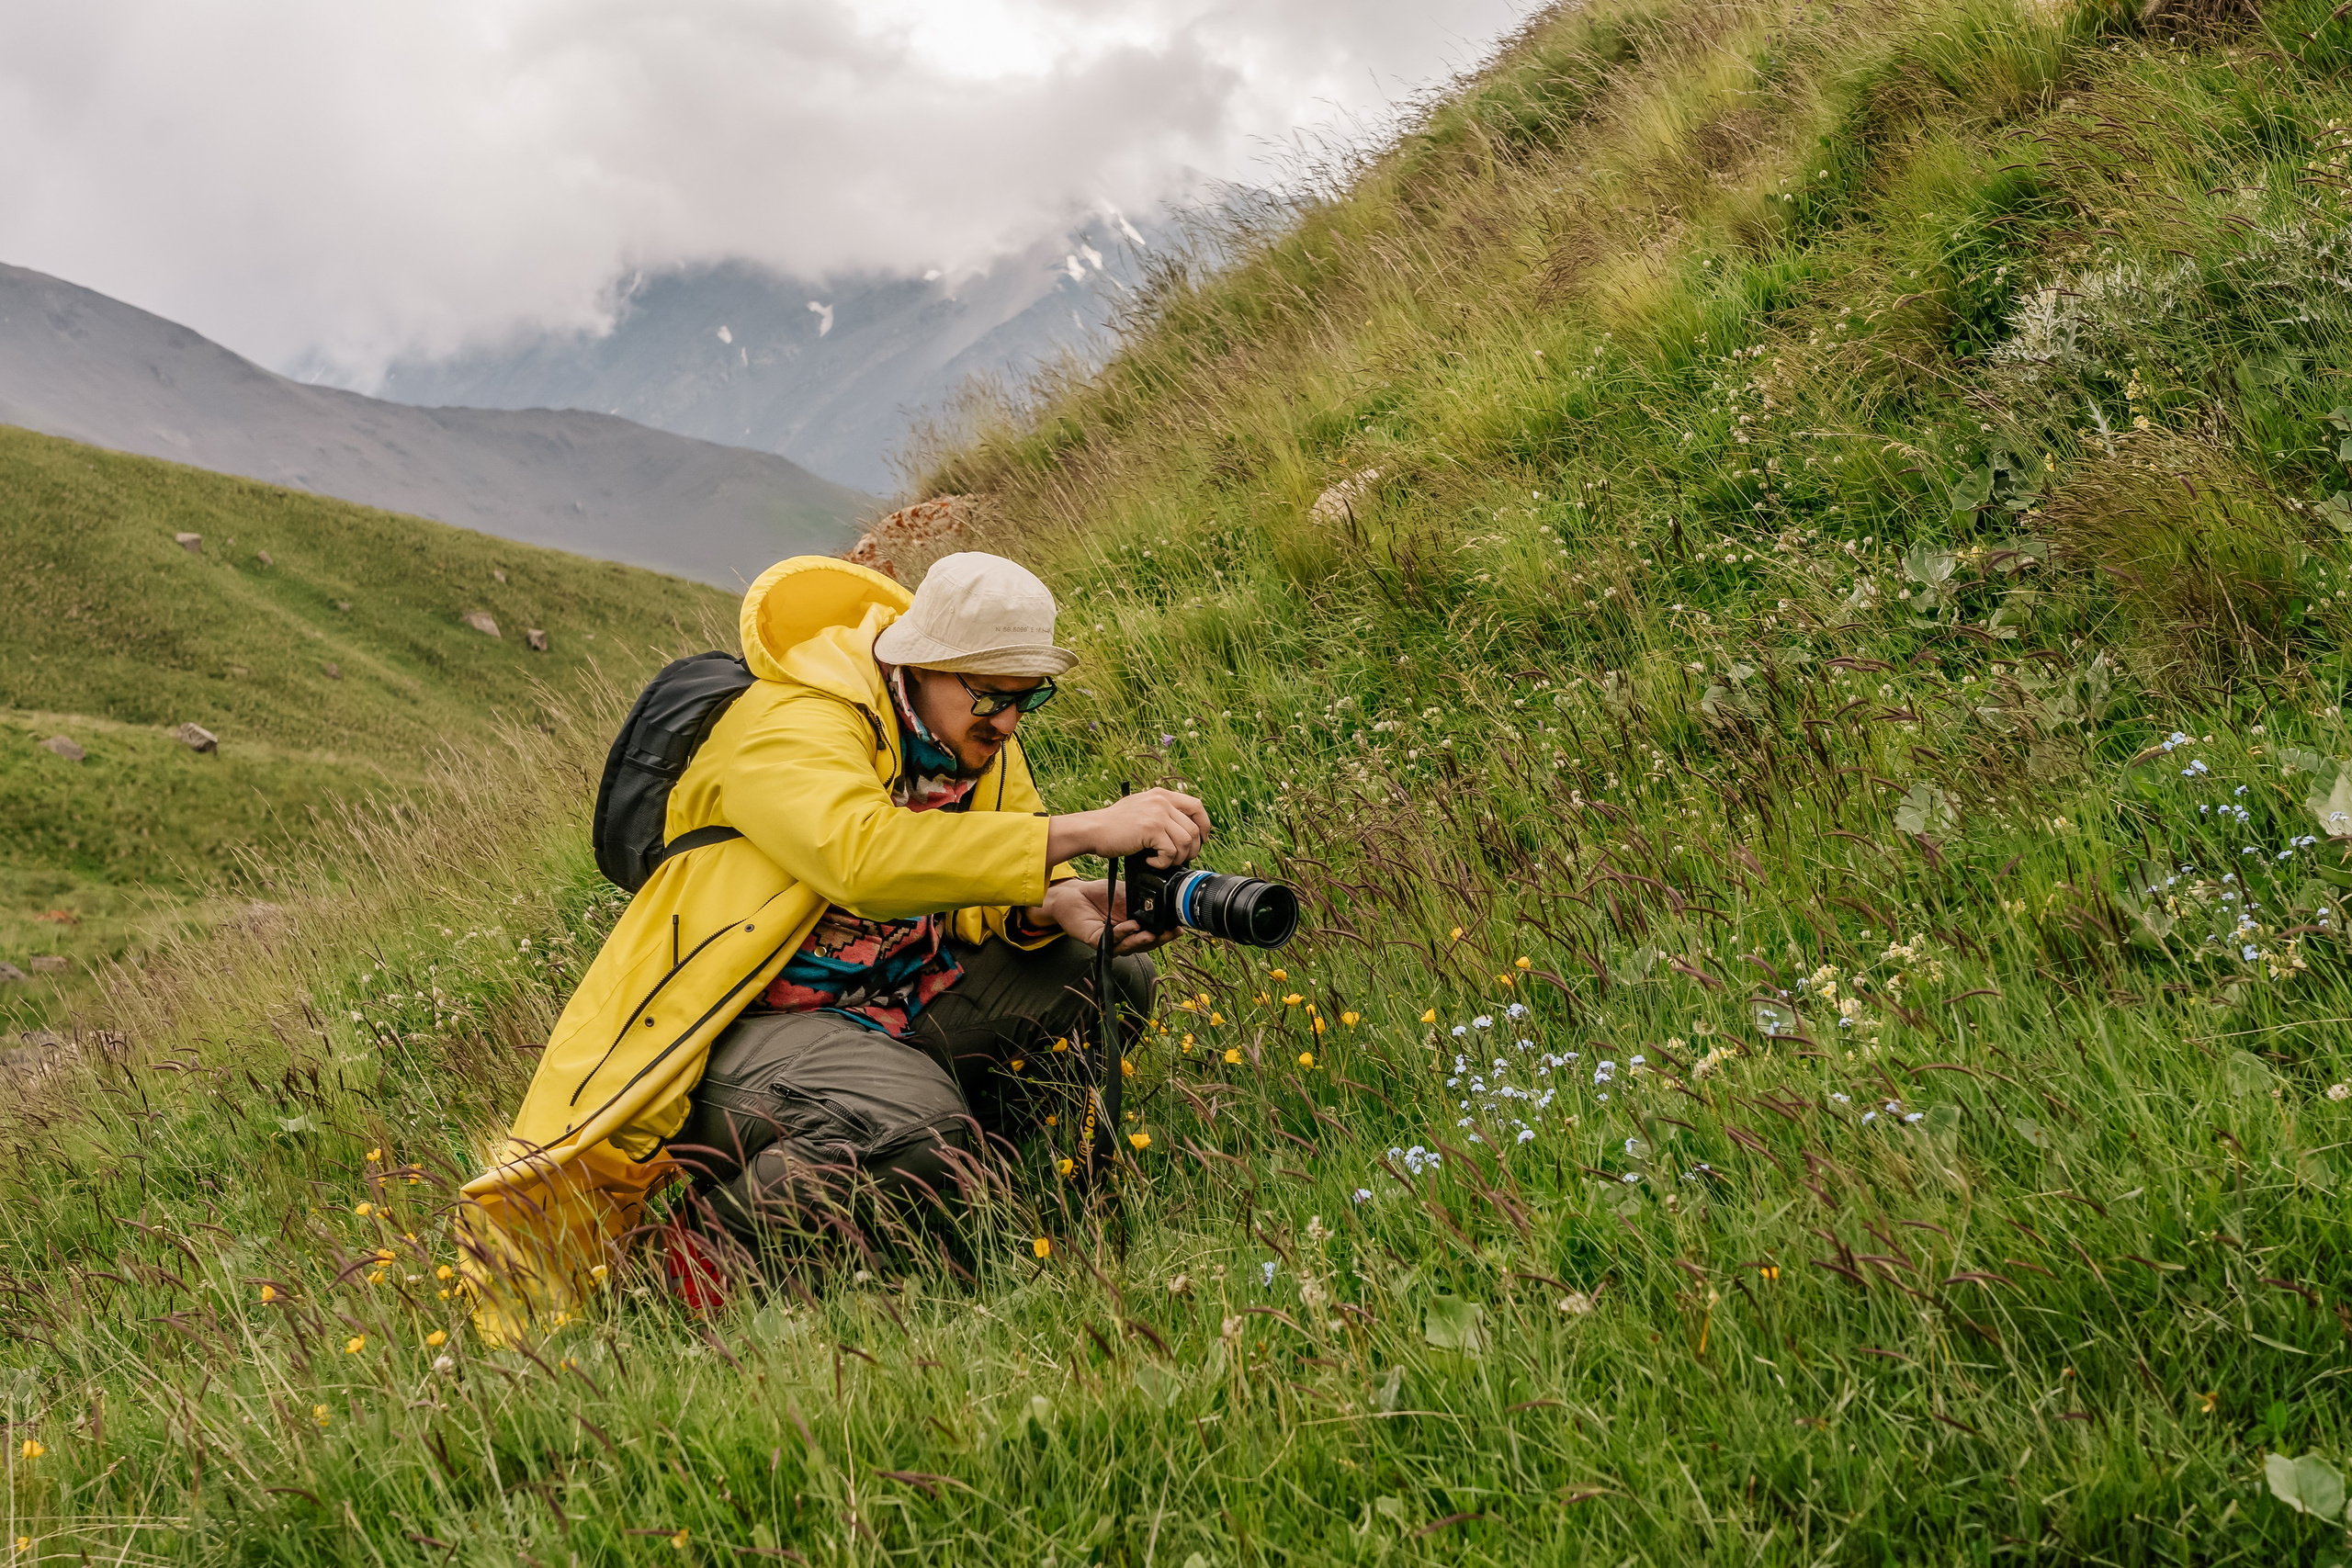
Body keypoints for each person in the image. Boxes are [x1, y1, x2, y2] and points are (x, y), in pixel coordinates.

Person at [458, 551, 1209, 1329]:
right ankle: (695, 1261)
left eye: (1029, 697)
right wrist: (1080, 830)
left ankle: (984, 1194)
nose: (1009, 720)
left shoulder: (976, 739)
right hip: (736, 1030)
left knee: (1109, 979)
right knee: (908, 1124)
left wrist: (1050, 906)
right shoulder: (790, 720)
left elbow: (977, 885)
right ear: (922, 663)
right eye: (990, 693)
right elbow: (862, 858)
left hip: (896, 997)